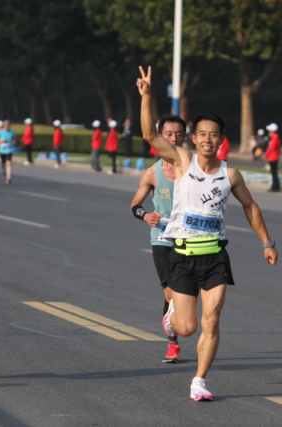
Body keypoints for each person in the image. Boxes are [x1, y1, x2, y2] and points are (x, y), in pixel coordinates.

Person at [136, 66, 278, 401]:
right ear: (194, 138)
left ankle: (199, 380)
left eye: (214, 134)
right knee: (188, 328)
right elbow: (149, 136)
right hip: (182, 256)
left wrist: (267, 243)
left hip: (214, 255)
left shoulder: (231, 174)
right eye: (202, 134)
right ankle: (173, 315)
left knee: (212, 320)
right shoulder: (183, 160)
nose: (207, 139)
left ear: (221, 138)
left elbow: (251, 208)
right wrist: (146, 97)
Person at [130, 114, 187, 363]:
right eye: (169, 134)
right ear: (161, 136)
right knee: (170, 293)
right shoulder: (153, 173)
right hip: (162, 238)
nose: (173, 138)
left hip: (190, 238)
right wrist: (146, 217)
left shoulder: (193, 169)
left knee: (187, 294)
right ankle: (172, 343)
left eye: (178, 134)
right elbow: (135, 205)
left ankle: (175, 323)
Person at [264, 123, 281, 192]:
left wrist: (266, 154)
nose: (269, 131)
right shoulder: (273, 137)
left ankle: (275, 187)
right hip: (272, 157)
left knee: (274, 172)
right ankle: (275, 186)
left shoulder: (275, 137)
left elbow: (272, 148)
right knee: (273, 172)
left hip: (273, 157)